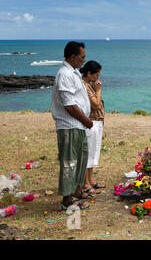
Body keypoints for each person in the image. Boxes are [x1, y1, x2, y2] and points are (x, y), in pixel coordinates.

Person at [51, 41, 92, 210]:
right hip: (69, 125)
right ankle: (67, 200)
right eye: (82, 57)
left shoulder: (73, 72)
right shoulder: (65, 74)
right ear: (73, 56)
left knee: (80, 160)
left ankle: (76, 191)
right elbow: (69, 105)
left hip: (78, 125)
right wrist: (86, 120)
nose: (84, 60)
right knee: (70, 162)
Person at [80, 60, 106, 195]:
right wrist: (98, 90)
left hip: (97, 122)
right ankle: (86, 184)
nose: (98, 78)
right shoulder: (85, 86)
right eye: (96, 75)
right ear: (88, 73)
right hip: (91, 122)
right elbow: (95, 105)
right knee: (88, 153)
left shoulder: (89, 85)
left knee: (93, 153)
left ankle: (91, 180)